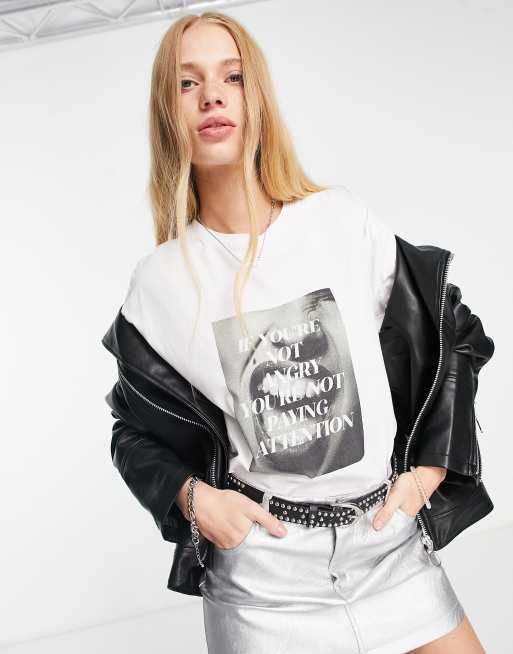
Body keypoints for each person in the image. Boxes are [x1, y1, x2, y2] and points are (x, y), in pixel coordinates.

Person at [101, 11, 495, 654]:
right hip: (265, 576)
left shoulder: (339, 220)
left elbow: (455, 330)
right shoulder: (160, 282)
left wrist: (431, 467)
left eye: (232, 77)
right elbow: (131, 432)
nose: (212, 96)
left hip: (387, 542)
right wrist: (197, 500)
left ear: (256, 96)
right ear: (167, 113)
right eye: (187, 83)